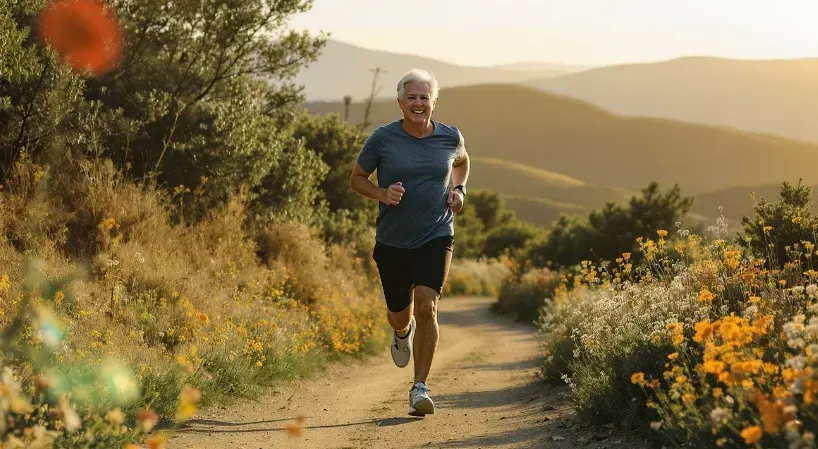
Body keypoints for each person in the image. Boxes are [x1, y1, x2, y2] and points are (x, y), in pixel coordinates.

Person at [348, 68, 470, 416]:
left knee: (427, 303)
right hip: (393, 240)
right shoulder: (383, 139)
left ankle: (419, 387)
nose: (418, 103)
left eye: (424, 97)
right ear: (401, 103)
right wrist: (382, 193)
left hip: (437, 233)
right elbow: (356, 179)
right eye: (412, 97)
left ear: (434, 102)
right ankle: (403, 333)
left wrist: (458, 190)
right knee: (400, 314)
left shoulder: (450, 137)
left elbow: (462, 163)